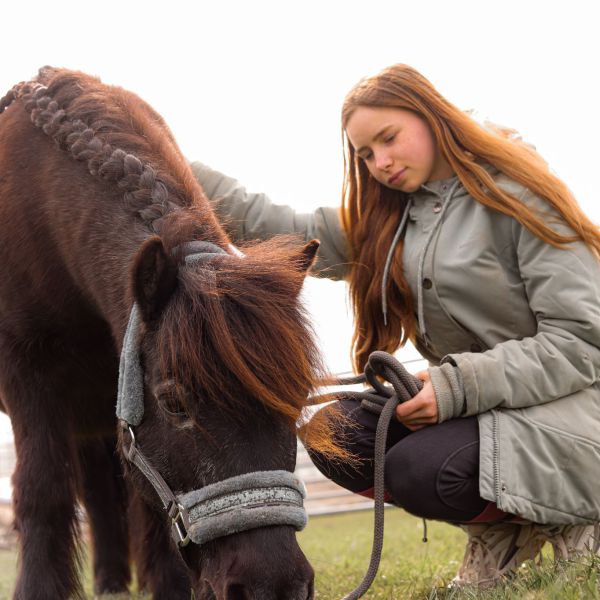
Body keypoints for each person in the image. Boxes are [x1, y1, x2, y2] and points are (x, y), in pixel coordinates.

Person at [190, 63, 600, 588]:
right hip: (486, 409)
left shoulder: (522, 195)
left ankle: (570, 522)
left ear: (432, 117)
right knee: (331, 436)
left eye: (389, 138)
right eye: (365, 153)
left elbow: (581, 341)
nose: (380, 163)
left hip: (568, 412)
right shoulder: (394, 219)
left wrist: (454, 386)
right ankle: (507, 531)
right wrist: (166, 160)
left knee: (417, 470)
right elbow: (286, 227)